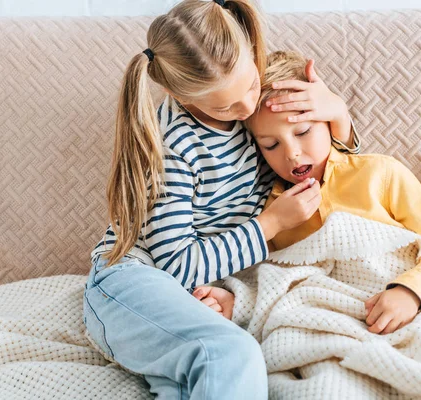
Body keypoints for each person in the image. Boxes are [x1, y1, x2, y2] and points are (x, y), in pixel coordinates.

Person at [83, 1, 360, 398]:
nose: (247, 108)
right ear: (180, 94)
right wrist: (271, 224)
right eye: (224, 106)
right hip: (131, 283)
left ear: (251, 48)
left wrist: (338, 115)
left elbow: (342, 182)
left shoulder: (260, 99)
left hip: (199, 300)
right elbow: (176, 266)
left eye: (249, 85)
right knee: (232, 354)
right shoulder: (174, 146)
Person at [233, 50, 421, 336]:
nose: (292, 153)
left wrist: (413, 291)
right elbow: (272, 282)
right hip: (328, 324)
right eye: (271, 145)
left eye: (302, 132)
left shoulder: (379, 174)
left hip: (407, 308)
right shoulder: (274, 212)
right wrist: (237, 300)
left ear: (328, 121)